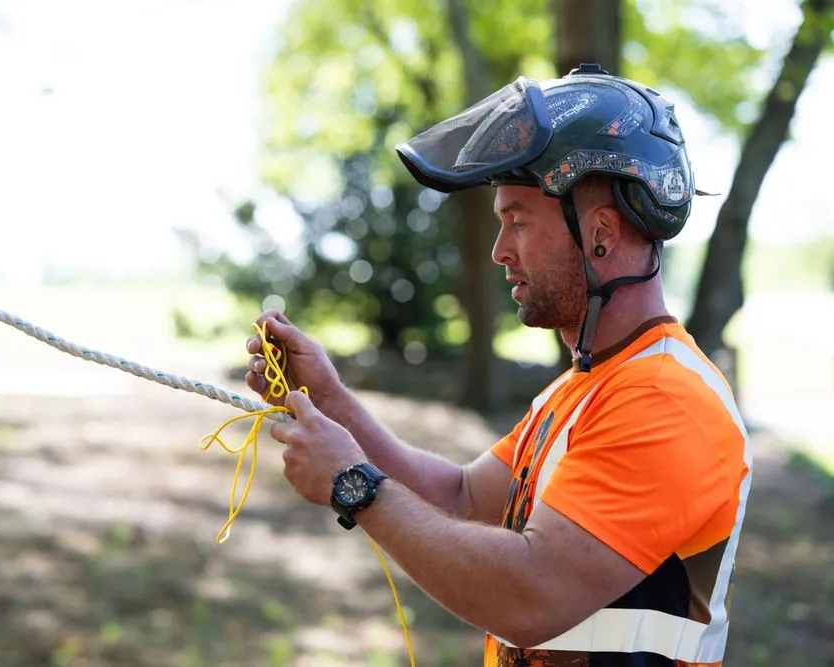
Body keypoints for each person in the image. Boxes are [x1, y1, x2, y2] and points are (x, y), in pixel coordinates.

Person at [244, 64, 752, 667]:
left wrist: (354, 485)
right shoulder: (588, 387)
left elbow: (529, 594)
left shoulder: (665, 401)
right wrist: (332, 402)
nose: (499, 251)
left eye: (517, 221)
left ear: (600, 234)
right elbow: (460, 498)